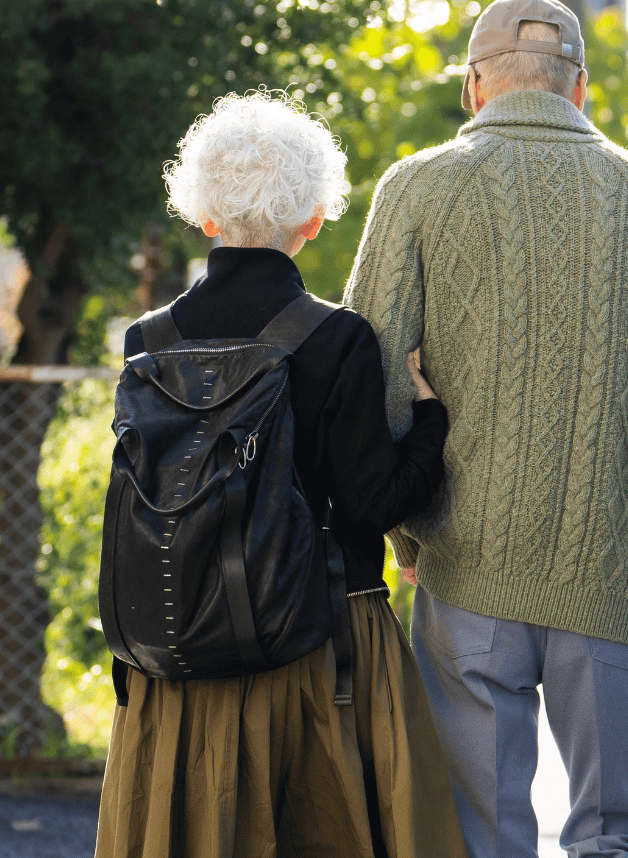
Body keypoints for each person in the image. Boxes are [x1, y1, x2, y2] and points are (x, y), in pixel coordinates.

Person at [341, 0, 628, 858]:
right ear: (580, 88)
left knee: (480, 834)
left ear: (473, 86)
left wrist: (403, 528)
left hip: (464, 566)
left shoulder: (416, 188)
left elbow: (370, 376)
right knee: (616, 834)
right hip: (611, 570)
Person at [95, 91, 467, 858]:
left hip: (176, 652)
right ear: (313, 218)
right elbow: (371, 504)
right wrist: (431, 424)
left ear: (204, 217)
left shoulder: (147, 340)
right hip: (319, 649)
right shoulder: (338, 337)